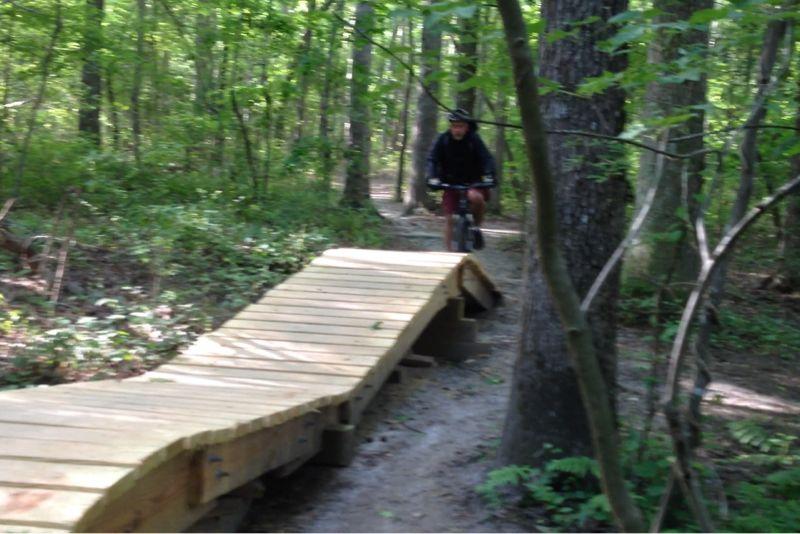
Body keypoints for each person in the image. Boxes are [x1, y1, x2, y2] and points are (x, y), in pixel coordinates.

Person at [426, 108, 496, 251]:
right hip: (451, 182)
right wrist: (432, 176)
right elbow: (432, 159)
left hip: (473, 181)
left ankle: (476, 228)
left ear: (467, 127)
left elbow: (487, 158)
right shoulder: (443, 139)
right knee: (449, 218)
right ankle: (448, 254)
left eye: (461, 126)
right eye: (454, 126)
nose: (457, 130)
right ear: (450, 126)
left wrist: (489, 174)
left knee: (476, 198)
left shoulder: (474, 139)